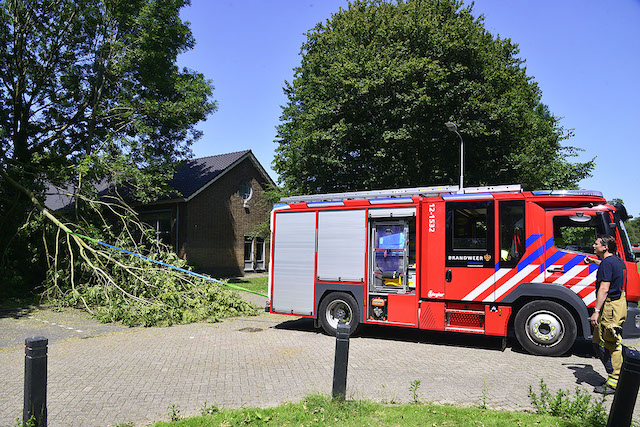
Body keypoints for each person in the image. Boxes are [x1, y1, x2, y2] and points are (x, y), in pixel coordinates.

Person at [584, 234, 627, 395]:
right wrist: (594, 261)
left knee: (612, 343)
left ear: (605, 247)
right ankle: (614, 376)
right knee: (597, 342)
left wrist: (595, 311)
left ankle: (615, 381)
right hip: (617, 303)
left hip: (609, 306)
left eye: (596, 244)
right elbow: (605, 265)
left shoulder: (607, 264)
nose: (594, 246)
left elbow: (604, 289)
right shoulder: (615, 261)